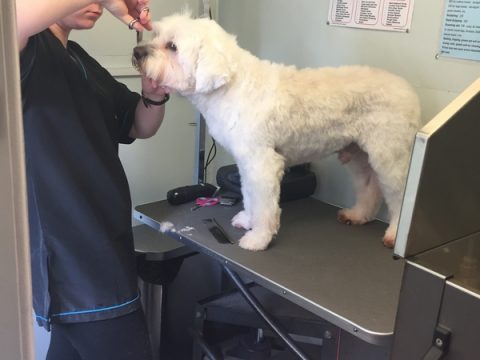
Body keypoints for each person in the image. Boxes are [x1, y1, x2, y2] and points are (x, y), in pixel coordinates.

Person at [16, 1, 168, 359]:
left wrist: (155, 95)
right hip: (77, 265)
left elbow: (138, 125)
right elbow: (13, 18)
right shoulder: (26, 49)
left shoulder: (79, 58)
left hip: (107, 244)